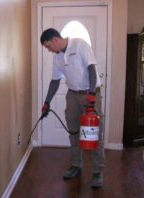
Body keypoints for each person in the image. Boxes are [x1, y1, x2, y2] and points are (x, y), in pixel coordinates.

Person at [40, 28, 105, 188]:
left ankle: (98, 171)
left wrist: (91, 94)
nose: (48, 50)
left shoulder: (80, 45)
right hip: (72, 96)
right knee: (74, 131)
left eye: (48, 46)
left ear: (55, 40)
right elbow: (55, 81)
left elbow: (91, 68)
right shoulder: (58, 57)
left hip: (90, 94)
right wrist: (47, 102)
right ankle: (77, 164)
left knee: (94, 133)